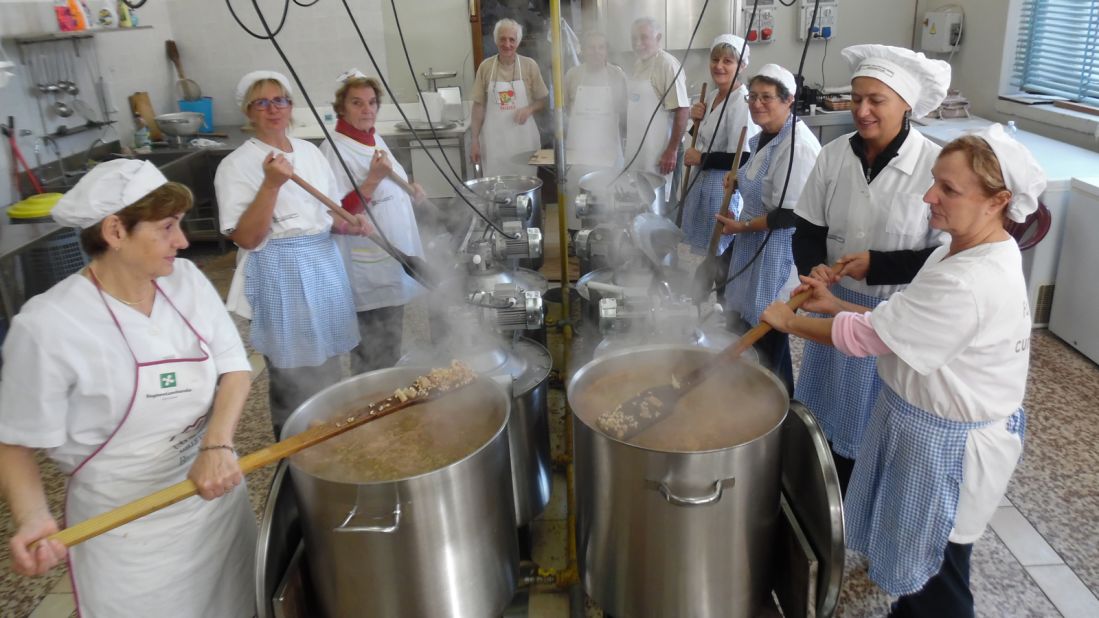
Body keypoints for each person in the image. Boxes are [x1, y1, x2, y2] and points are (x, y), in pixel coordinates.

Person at [762, 124, 1045, 617]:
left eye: (949, 190)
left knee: (940, 571)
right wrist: (831, 305)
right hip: (925, 430)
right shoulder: (955, 250)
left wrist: (793, 322)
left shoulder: (972, 279)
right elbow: (901, 323)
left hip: (949, 450)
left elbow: (871, 338)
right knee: (920, 558)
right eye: (935, 181)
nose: (929, 197)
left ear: (997, 201)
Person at [0, 160, 256, 616]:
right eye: (167, 227)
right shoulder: (46, 326)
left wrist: (217, 445)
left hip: (212, 503)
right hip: (126, 532)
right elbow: (15, 442)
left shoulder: (187, 281)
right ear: (115, 231)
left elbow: (235, 367)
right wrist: (34, 517)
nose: (182, 241)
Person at [791, 44, 951, 492]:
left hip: (891, 318)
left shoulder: (934, 166)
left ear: (905, 104)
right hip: (831, 306)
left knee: (873, 426)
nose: (861, 110)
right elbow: (806, 228)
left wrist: (877, 264)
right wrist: (814, 269)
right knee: (827, 410)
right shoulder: (835, 155)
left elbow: (943, 256)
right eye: (857, 97)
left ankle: (863, 504)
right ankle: (827, 500)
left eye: (875, 100)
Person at [215, 70, 368, 438]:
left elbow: (327, 216)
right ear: (248, 112)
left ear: (291, 106)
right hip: (278, 271)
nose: (273, 109)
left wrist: (348, 225)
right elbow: (248, 238)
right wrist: (270, 185)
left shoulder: (310, 153)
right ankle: (293, 451)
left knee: (330, 364)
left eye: (280, 100)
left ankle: (330, 438)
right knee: (291, 375)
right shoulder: (235, 166)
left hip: (322, 265)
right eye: (262, 102)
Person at [717, 64, 820, 394]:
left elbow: (790, 215)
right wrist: (739, 180)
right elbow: (759, 180)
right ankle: (746, 390)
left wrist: (741, 226)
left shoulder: (797, 148)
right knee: (750, 320)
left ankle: (779, 401)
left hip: (776, 250)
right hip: (753, 243)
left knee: (770, 326)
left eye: (767, 98)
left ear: (789, 100)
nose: (757, 104)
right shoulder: (764, 135)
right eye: (753, 96)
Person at [320, 69, 427, 373]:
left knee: (389, 341)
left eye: (371, 102)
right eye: (357, 103)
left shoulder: (371, 136)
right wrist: (372, 180)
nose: (367, 109)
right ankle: (371, 407)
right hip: (368, 267)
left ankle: (387, 395)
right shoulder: (334, 149)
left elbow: (388, 181)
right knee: (372, 351)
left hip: (392, 258)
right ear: (341, 108)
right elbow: (335, 212)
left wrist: (410, 187)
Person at [680, 34, 759, 255]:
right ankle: (697, 289)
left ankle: (715, 289)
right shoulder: (713, 95)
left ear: (741, 65)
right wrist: (695, 121)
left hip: (722, 187)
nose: (719, 66)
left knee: (717, 252)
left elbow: (743, 157)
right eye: (715, 60)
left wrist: (702, 159)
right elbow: (707, 137)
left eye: (728, 61)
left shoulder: (742, 103)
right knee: (698, 248)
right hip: (700, 183)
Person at [564, 30, 628, 231]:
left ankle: (608, 242)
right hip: (579, 150)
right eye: (591, 47)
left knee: (608, 199)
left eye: (601, 47)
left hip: (609, 149)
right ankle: (577, 239)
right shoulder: (572, 75)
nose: (596, 52)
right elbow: (566, 109)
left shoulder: (617, 75)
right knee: (578, 197)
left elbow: (625, 110)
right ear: (582, 51)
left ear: (607, 51)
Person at [470, 18, 549, 177]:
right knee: (497, 191)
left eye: (512, 39)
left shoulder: (529, 65)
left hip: (524, 143)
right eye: (502, 39)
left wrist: (529, 109)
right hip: (494, 144)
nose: (507, 44)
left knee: (526, 188)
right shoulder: (485, 67)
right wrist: (474, 141)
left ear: (518, 42)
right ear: (496, 41)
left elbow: (543, 100)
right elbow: (478, 107)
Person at [625, 17, 689, 192]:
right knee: (642, 209)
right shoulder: (639, 63)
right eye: (634, 38)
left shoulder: (667, 65)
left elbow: (682, 110)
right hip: (641, 153)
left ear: (658, 38)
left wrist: (671, 151)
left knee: (662, 209)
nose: (638, 43)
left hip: (661, 154)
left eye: (644, 37)